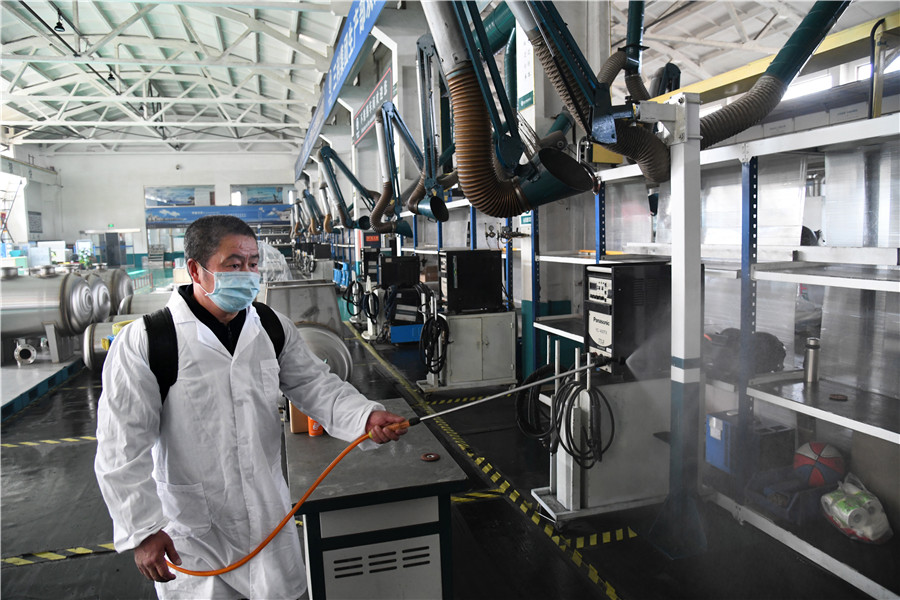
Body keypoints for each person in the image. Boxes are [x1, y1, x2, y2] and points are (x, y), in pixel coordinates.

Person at [94, 215, 407, 599]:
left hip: (266, 517)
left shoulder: (271, 327)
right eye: (234, 265)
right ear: (196, 269)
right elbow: (121, 446)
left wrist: (365, 416)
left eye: (253, 263)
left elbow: (314, 384)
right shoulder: (148, 341)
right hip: (193, 531)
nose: (247, 274)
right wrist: (142, 531)